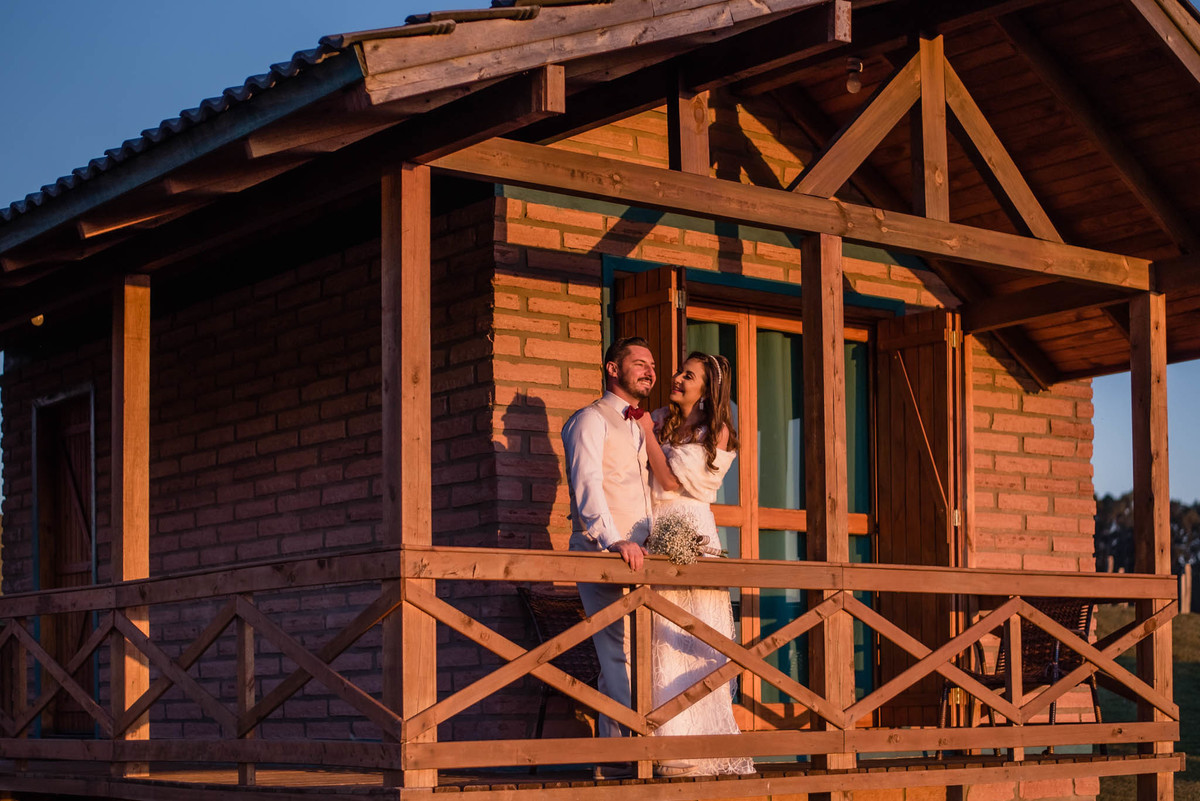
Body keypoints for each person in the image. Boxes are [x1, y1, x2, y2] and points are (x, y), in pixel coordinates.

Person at [634, 351, 755, 777]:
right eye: (679, 371)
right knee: (662, 637)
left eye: (689, 375)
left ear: (707, 390)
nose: (677, 378)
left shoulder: (716, 431)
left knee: (694, 636)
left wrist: (646, 433)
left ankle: (702, 746)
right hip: (657, 530)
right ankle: (665, 746)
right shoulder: (663, 420)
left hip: (692, 533)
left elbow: (671, 480)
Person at [560, 336, 655, 770]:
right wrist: (613, 540)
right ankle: (626, 759)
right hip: (605, 554)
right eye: (639, 363)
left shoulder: (638, 426)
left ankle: (617, 754)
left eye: (651, 365)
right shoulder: (589, 420)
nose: (649, 371)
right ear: (612, 369)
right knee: (617, 653)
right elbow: (588, 486)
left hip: (645, 558)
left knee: (640, 655)